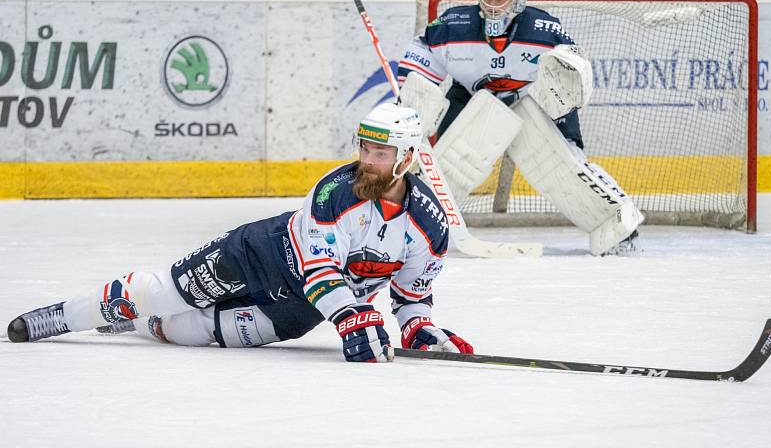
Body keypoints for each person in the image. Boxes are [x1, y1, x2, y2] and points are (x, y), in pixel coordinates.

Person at [6, 103, 473, 362]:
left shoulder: (429, 227)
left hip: (298, 313)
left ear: (408, 158)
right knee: (161, 293)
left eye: (380, 153)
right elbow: (320, 273)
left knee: (191, 334)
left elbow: (412, 292)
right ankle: (63, 316)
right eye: (364, 147)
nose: (366, 160)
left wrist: (419, 329)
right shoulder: (334, 192)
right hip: (258, 254)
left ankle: (136, 325)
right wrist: (353, 318)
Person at [397, 0, 642, 256]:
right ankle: (414, 227)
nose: (493, 5)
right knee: (447, 165)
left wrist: (564, 91)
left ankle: (616, 226)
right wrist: (416, 97)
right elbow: (420, 56)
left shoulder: (544, 29)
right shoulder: (453, 24)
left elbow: (574, 67)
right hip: (473, 97)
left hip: (534, 101)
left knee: (565, 167)